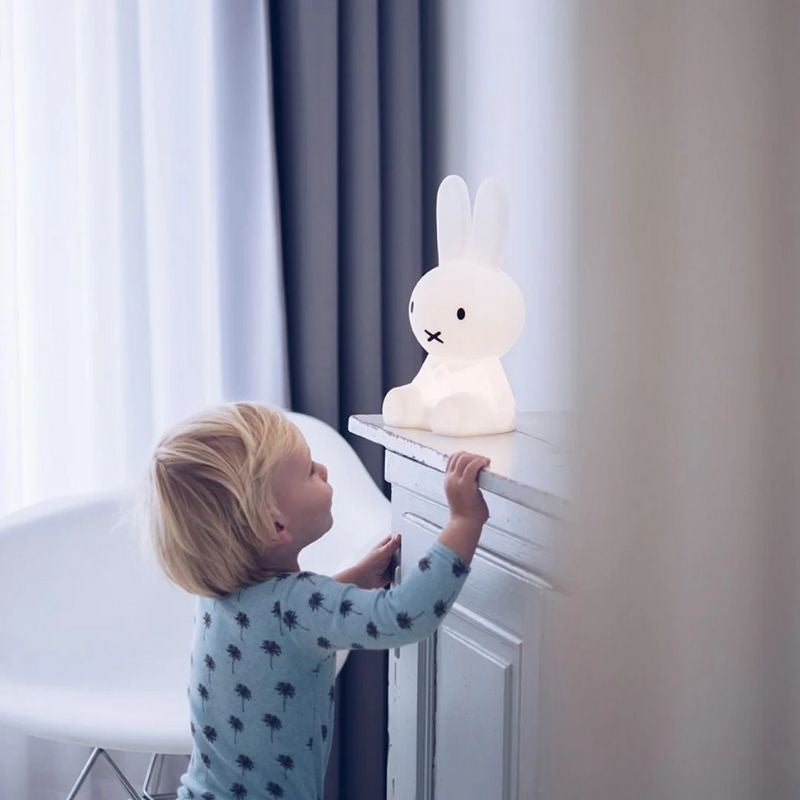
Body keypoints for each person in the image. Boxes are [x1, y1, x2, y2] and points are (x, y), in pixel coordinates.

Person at [140, 401, 490, 800]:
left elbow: (279, 628)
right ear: (275, 523)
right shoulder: (299, 605)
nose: (323, 470)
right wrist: (464, 521)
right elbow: (404, 616)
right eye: (309, 471)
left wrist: (356, 579)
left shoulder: (218, 596)